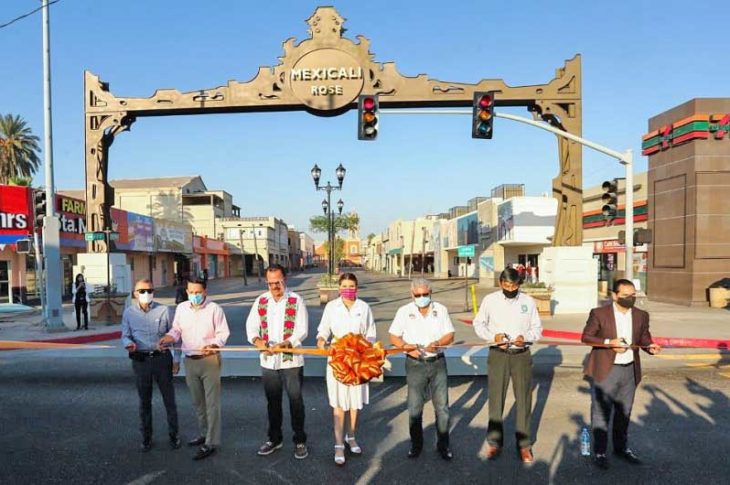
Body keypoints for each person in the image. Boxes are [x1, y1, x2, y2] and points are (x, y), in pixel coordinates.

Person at [581, 279, 661, 470]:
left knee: (624, 412)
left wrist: (650, 347)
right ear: (615, 295)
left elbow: (643, 337)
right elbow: (587, 336)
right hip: (607, 369)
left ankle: (621, 448)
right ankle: (600, 452)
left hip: (630, 371)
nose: (630, 299)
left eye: (633, 295)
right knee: (601, 412)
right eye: (625, 296)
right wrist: (610, 342)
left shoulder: (641, 315)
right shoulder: (599, 313)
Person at [472, 267, 542, 464]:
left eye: (514, 285)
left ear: (519, 284)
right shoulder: (490, 300)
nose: (510, 288)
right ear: (501, 283)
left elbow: (537, 329)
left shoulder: (528, 301)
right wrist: (492, 337)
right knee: (496, 400)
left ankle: (524, 445)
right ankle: (494, 443)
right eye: (506, 284)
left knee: (524, 401)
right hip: (498, 354)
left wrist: (525, 338)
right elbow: (479, 324)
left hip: (521, 355)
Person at [159, 277, 229, 461]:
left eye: (198, 292)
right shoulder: (182, 308)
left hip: (209, 360)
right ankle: (203, 433)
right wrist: (168, 337)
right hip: (190, 361)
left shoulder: (215, 309)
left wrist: (215, 344)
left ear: (205, 291)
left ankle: (211, 442)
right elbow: (177, 330)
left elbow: (223, 333)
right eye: (191, 292)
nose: (195, 296)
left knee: (212, 403)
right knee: (198, 402)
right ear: (187, 292)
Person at [246, 264, 309, 460]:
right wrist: (258, 341)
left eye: (277, 282)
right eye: (270, 283)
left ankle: (299, 440)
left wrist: (287, 343)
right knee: (272, 402)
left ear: (285, 280)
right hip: (269, 362)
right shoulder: (261, 300)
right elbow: (252, 326)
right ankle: (274, 439)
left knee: (295, 401)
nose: (274, 286)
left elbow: (302, 329)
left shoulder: (296, 300)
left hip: (291, 362)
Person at [389, 277, 455, 461]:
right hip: (415, 364)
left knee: (442, 407)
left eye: (425, 294)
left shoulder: (440, 310)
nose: (422, 297)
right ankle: (416, 445)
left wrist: (438, 343)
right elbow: (393, 336)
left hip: (437, 362)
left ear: (430, 293)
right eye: (418, 295)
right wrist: (405, 346)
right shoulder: (404, 312)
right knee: (415, 407)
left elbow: (450, 334)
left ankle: (443, 445)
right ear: (412, 294)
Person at [316, 273, 376, 466]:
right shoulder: (332, 307)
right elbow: (323, 329)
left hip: (358, 360)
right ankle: (339, 444)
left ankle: (351, 436)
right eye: (344, 285)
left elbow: (371, 333)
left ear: (356, 288)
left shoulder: (364, 307)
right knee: (339, 403)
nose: (348, 289)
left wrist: (365, 347)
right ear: (339, 287)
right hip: (338, 359)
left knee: (354, 403)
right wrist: (321, 340)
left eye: (351, 285)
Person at [121, 278, 180, 452]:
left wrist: (176, 359)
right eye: (142, 291)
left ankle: (174, 435)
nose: (146, 294)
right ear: (135, 293)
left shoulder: (164, 310)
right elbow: (125, 334)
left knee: (169, 400)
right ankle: (146, 438)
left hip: (162, 359)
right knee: (144, 401)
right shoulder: (129, 313)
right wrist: (128, 343)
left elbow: (175, 335)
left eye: (149, 291)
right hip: (141, 360)